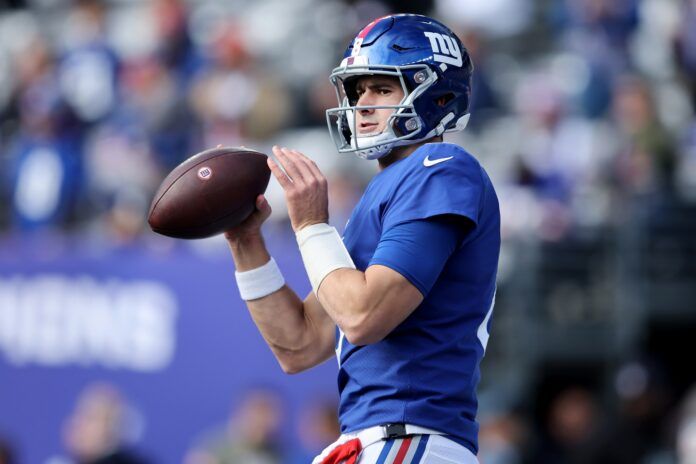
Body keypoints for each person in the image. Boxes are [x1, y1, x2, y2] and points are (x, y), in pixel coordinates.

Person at [225, 14, 500, 464]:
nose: (363, 103)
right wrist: (245, 243)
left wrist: (311, 225)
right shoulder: (388, 189)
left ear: (437, 93)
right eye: (358, 90)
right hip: (375, 436)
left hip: (409, 434)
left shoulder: (441, 166)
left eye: (382, 88)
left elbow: (363, 316)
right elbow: (300, 344)